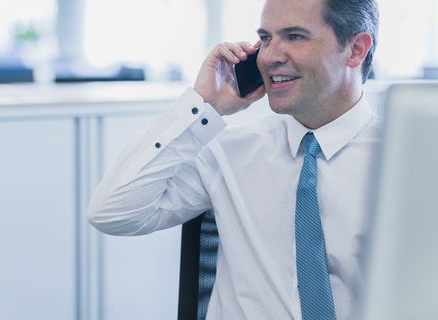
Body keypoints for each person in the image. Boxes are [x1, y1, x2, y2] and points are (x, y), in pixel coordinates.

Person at [87, 0, 382, 318]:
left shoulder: (408, 165)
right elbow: (112, 212)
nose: (269, 57)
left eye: (295, 36)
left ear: (356, 49)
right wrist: (201, 106)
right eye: (266, 38)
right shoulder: (228, 150)